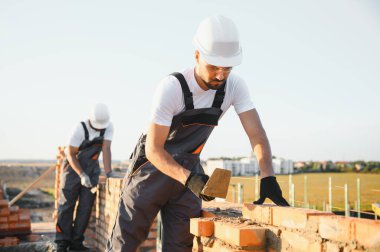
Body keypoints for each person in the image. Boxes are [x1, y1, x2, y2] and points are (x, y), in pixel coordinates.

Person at [106, 15, 288, 252]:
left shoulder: (234, 86)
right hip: (151, 170)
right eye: (214, 67)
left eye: (228, 68)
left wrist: (268, 177)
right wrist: (189, 178)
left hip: (189, 170)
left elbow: (257, 134)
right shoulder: (172, 88)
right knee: (125, 242)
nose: (221, 75)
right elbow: (153, 149)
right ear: (197, 56)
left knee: (181, 246)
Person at [56, 103, 116, 252]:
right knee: (67, 205)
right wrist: (81, 174)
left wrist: (109, 173)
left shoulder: (108, 127)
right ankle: (62, 244)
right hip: (72, 169)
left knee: (85, 207)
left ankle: (76, 243)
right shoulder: (80, 128)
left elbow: (106, 149)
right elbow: (70, 154)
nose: (100, 128)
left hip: (92, 171)